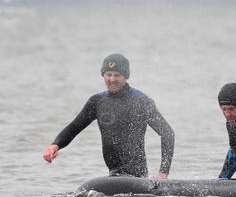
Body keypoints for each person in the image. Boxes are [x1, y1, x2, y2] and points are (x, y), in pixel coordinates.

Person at [42, 54, 175, 178]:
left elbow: (167, 133)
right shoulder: (98, 101)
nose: (112, 80)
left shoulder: (141, 101)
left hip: (137, 177)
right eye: (108, 74)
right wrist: (55, 145)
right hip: (113, 175)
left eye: (117, 75)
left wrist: (163, 172)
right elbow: (74, 127)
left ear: (126, 76)